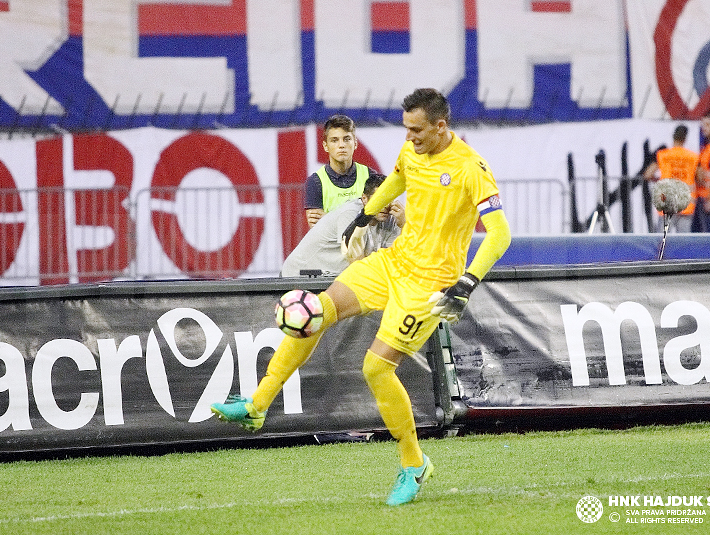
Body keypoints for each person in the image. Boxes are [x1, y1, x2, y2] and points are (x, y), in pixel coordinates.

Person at [211, 88, 511, 506]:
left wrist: (466, 283)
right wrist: (363, 217)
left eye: (417, 130)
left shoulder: (470, 167)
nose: (409, 137)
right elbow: (396, 182)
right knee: (315, 311)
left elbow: (500, 234)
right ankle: (258, 404)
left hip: (429, 286)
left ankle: (414, 463)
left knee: (375, 368)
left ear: (441, 127)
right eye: (406, 128)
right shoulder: (411, 152)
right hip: (393, 262)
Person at [281, 174, 404, 277]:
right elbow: (357, 265)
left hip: (329, 278)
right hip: (299, 276)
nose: (385, 205)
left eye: (389, 198)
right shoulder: (350, 214)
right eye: (379, 199)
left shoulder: (392, 218)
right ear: (364, 199)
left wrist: (404, 225)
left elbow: (398, 261)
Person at [305, 114, 384, 228]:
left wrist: (328, 219)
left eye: (346, 139)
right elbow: (317, 230)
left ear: (355, 143)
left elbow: (377, 222)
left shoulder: (370, 176)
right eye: (334, 140)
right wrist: (361, 220)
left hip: (363, 246)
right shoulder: (315, 182)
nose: (341, 145)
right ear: (325, 146)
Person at [643, 124, 699, 233]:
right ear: (685, 139)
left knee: (663, 241)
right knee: (683, 243)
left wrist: (658, 180)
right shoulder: (693, 157)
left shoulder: (662, 155)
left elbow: (648, 174)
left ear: (673, 137)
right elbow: (700, 177)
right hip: (686, 204)